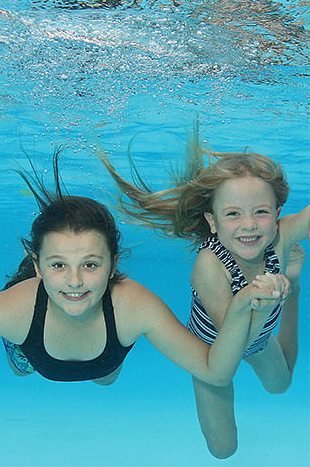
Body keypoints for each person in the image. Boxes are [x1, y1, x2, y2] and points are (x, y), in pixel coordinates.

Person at [0, 150, 287, 397]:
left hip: (106, 346)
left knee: (106, 375)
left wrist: (245, 304)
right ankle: (24, 330)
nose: (75, 281)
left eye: (91, 265)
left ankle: (98, 349)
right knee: (22, 369)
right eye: (58, 266)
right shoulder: (15, 306)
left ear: (113, 266)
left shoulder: (133, 304)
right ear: (37, 268)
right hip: (32, 344)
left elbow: (215, 371)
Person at [100, 125, 309, 458]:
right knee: (223, 449)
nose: (249, 225)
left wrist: (283, 292)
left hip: (258, 338)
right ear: (212, 222)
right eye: (232, 214)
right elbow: (233, 336)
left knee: (280, 386)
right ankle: (288, 288)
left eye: (261, 212)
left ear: (277, 214)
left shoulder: (281, 237)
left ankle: (294, 286)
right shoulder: (210, 265)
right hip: (212, 351)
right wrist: (264, 302)